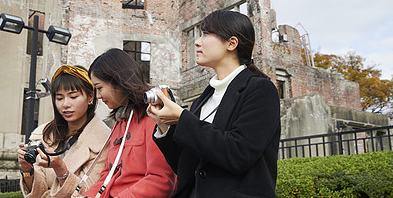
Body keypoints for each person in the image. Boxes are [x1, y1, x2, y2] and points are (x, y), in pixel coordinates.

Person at [147, 10, 281, 197]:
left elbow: (239, 154)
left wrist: (182, 119)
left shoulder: (261, 90)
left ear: (231, 43)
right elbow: (185, 166)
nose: (197, 42)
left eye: (206, 34)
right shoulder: (204, 99)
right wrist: (165, 127)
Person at [82, 48, 176, 198]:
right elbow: (107, 176)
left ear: (117, 81)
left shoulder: (154, 116)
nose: (98, 96)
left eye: (99, 88)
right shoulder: (119, 123)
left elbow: (161, 180)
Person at [17, 65, 110, 198]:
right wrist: (27, 170)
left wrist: (60, 168)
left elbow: (88, 192)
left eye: (73, 97)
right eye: (59, 98)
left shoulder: (104, 140)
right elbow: (36, 193)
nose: (65, 104)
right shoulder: (42, 134)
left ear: (90, 97)